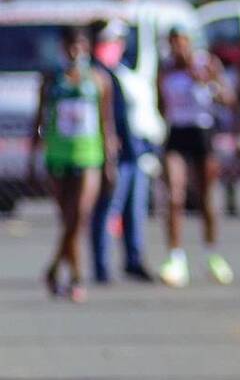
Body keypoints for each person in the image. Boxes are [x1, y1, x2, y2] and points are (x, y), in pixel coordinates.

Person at [28, 27, 118, 302]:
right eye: (70, 46)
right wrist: (33, 158)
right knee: (68, 220)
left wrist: (109, 160)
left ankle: (65, 273)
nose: (75, 51)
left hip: (90, 156)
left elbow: (106, 122)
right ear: (63, 47)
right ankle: (68, 274)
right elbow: (39, 119)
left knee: (79, 216)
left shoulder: (99, 80)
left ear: (87, 48)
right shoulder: (51, 79)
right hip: (59, 156)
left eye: (80, 46)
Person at [157, 28, 235, 288]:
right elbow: (161, 105)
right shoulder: (165, 70)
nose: (179, 49)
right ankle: (175, 257)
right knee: (174, 196)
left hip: (202, 132)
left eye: (182, 43)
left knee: (207, 197)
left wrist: (208, 81)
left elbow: (228, 98)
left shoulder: (207, 63)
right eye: (174, 44)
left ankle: (212, 254)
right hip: (178, 132)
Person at [89, 20, 158, 284]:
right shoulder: (96, 75)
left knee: (135, 209)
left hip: (134, 150)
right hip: (112, 153)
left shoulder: (122, 71)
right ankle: (102, 266)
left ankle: (134, 259)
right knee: (108, 208)